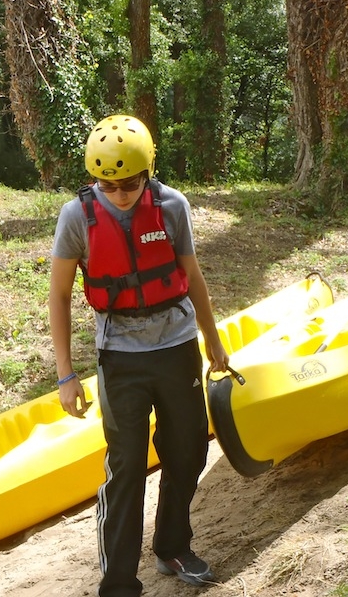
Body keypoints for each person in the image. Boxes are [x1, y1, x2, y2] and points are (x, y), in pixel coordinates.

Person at [49, 114, 229, 597]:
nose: (121, 193)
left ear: (148, 170)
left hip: (177, 347)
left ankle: (172, 546)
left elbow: (192, 275)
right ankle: (119, 581)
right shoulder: (76, 217)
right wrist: (66, 376)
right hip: (120, 357)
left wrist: (213, 341)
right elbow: (60, 296)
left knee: (188, 450)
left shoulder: (172, 206)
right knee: (127, 464)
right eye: (108, 184)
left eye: (130, 183)